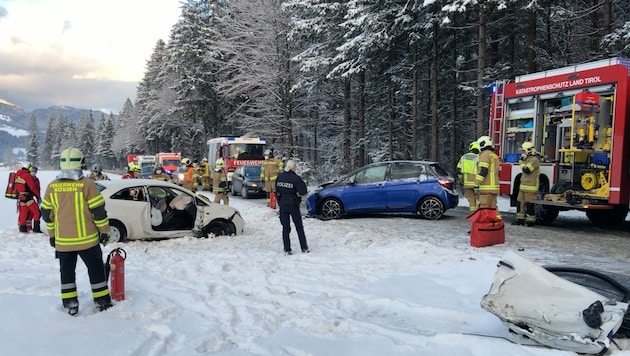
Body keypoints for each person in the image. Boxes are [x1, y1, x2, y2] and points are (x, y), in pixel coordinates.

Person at [40, 147, 112, 316]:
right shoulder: (87, 184)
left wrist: (52, 236)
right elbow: (98, 211)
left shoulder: (52, 186)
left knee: (67, 274)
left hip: (63, 243)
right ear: (80, 162)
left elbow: (46, 215)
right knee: (96, 271)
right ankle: (102, 302)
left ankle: (70, 304)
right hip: (88, 241)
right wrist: (104, 231)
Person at [275, 159, 309, 255]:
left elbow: (276, 190)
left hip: (283, 205)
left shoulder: (280, 177)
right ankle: (304, 247)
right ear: (293, 168)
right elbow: (303, 191)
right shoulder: (296, 178)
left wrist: (280, 201)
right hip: (293, 205)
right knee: (299, 227)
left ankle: (287, 249)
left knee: (285, 228)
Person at [513, 141, 540, 227]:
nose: (522, 153)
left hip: (530, 187)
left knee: (530, 205)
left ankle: (531, 221)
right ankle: (520, 220)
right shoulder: (528, 159)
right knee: (519, 203)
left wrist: (521, 162)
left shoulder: (534, 160)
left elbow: (526, 170)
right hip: (523, 187)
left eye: (523, 151)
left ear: (528, 151)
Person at [475, 136, 501, 220]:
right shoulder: (494, 156)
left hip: (486, 187)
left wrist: (476, 183)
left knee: (484, 207)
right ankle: (497, 226)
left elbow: (483, 170)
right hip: (494, 187)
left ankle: (482, 228)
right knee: (493, 208)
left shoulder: (484, 154)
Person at [14, 163, 42, 233]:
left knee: (24, 213)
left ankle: (23, 229)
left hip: (21, 198)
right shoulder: (27, 176)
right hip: (28, 197)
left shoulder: (18, 175)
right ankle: (36, 229)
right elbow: (33, 188)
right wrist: (38, 197)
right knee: (37, 212)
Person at [456, 141, 480, 212]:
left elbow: (459, 170)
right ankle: (479, 215)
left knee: (471, 201)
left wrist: (461, 179)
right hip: (477, 184)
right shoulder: (480, 157)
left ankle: (473, 214)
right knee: (479, 200)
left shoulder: (464, 157)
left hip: (467, 184)